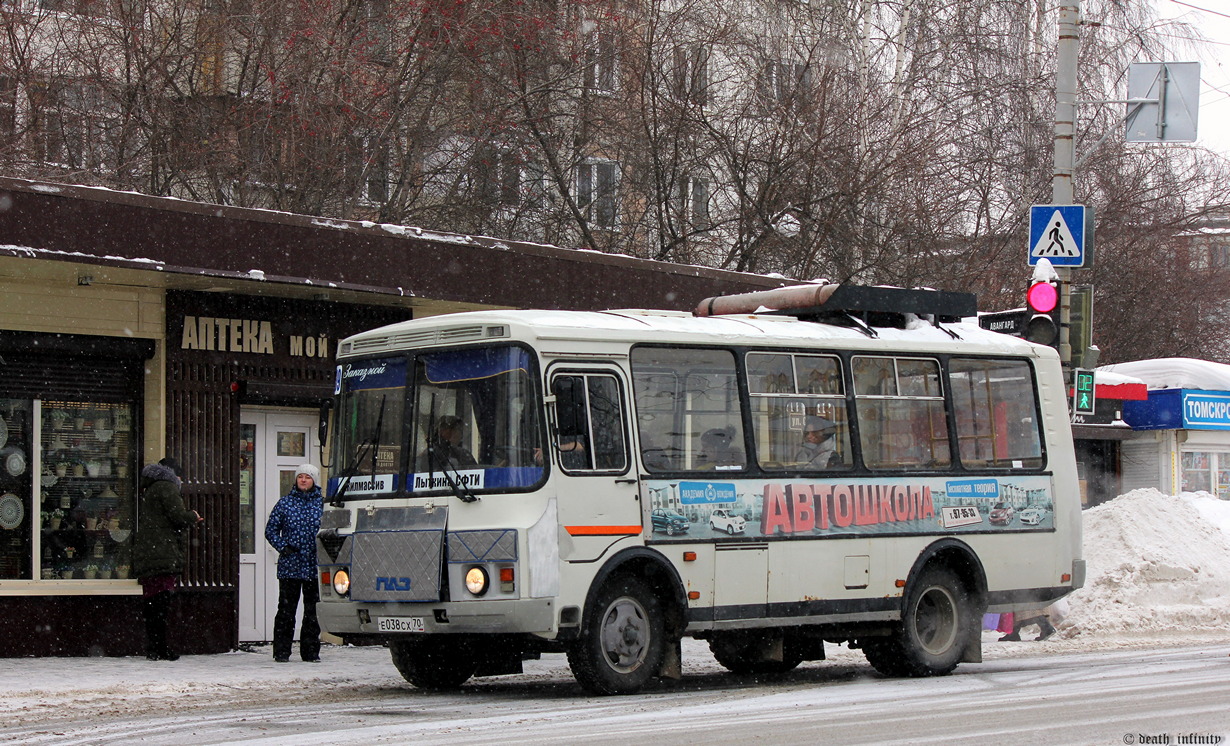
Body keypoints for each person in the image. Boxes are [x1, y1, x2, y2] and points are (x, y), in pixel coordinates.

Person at [132, 457, 202, 661]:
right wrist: (193, 516)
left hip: (150, 553)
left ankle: (154, 647)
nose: (181, 480)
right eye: (180, 476)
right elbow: (177, 516)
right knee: (161, 604)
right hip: (162, 554)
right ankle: (160, 648)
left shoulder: (151, 488)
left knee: (152, 603)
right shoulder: (167, 487)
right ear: (173, 474)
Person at [265, 463, 325, 663]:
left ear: (314, 480)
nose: (303, 480)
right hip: (290, 566)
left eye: (307, 477)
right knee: (286, 611)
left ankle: (310, 652)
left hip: (314, 566)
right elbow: (271, 530)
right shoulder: (285, 504)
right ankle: (281, 651)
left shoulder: (322, 504)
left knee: (312, 611)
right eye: (300, 477)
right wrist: (283, 547)